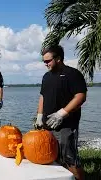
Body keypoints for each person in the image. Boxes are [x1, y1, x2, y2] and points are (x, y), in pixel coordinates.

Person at [35, 45, 87, 180]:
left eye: (48, 61)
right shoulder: (46, 76)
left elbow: (80, 96)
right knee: (51, 158)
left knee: (69, 159)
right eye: (44, 61)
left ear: (58, 58)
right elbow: (42, 97)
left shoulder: (72, 74)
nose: (45, 64)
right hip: (47, 125)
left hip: (66, 125)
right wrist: (39, 116)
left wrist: (62, 113)